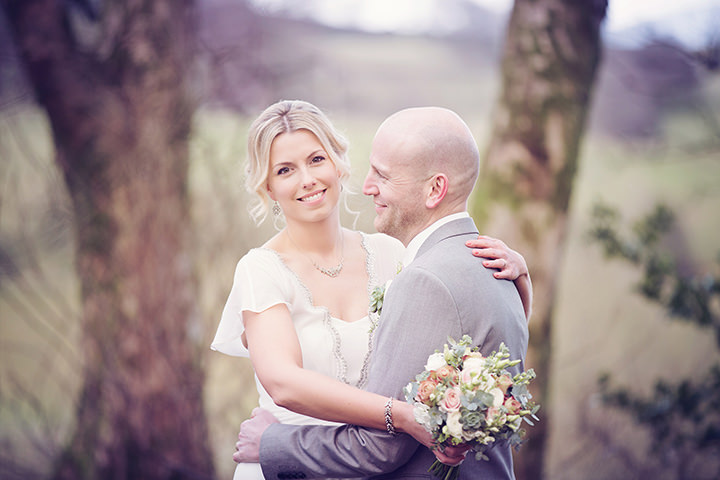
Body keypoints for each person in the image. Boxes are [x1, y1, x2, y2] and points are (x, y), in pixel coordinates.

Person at [211, 100, 532, 479]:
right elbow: (283, 382)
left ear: (338, 163)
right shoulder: (260, 270)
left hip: (365, 463)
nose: (307, 179)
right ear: (268, 186)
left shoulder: (394, 253)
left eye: (316, 160)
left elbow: (461, 330)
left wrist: (520, 280)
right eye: (285, 170)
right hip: (291, 459)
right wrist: (405, 417)